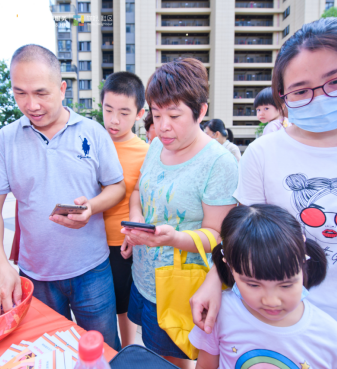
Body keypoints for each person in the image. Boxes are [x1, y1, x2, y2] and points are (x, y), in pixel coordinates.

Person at [189, 18, 337, 369]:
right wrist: (214, 280)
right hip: (263, 327)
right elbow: (239, 235)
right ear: (283, 96)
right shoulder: (264, 152)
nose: (320, 97)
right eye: (301, 90)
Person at [0, 45, 125, 350]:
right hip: (36, 275)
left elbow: (117, 188)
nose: (31, 104)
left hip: (92, 271)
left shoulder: (93, 133)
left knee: (103, 349)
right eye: (20, 93)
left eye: (41, 93)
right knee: (47, 351)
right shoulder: (4, 141)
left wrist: (92, 207)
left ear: (62, 88)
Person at [120, 58, 239, 369]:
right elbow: (137, 193)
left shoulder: (218, 163)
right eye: (156, 115)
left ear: (200, 111)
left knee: (173, 361)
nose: (162, 126)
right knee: (151, 350)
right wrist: (138, 230)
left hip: (180, 287)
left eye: (174, 115)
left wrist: (172, 238)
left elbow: (217, 235)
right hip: (144, 278)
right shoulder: (156, 147)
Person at [190, 204, 337, 369]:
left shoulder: (331, 336)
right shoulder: (218, 313)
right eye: (253, 284)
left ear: (303, 261)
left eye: (286, 285)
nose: (271, 301)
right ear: (230, 267)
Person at [101, 71, 148, 348]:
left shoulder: (145, 151)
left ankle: (128, 353)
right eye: (108, 110)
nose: (114, 120)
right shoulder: (90, 142)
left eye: (124, 112)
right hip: (86, 242)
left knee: (123, 306)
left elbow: (142, 198)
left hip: (122, 244)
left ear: (139, 114)